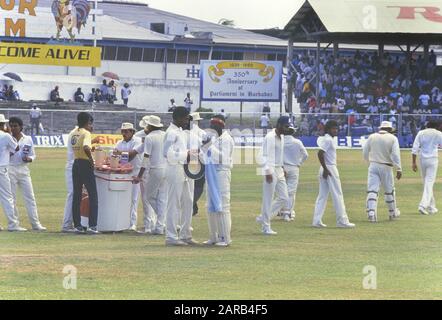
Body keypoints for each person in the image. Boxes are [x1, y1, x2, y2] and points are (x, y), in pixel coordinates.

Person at [163, 107, 198, 246]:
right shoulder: (171, 132)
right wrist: (186, 155)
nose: (186, 121)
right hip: (174, 168)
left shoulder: (181, 132)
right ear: (178, 118)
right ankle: (171, 237)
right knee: (174, 203)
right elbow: (166, 153)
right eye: (185, 118)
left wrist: (190, 153)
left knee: (188, 202)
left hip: (185, 169)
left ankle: (185, 234)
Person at [313, 120, 355, 228]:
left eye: (336, 128)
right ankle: (342, 221)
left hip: (325, 168)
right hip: (329, 168)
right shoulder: (328, 140)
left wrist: (324, 168)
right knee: (337, 194)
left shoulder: (328, 139)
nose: (335, 130)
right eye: (333, 128)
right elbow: (320, 153)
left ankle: (316, 221)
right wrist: (326, 169)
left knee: (322, 196)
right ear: (328, 129)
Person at [8, 117, 46, 231]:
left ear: (21, 127)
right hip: (10, 169)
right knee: (12, 198)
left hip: (24, 170)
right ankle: (14, 225)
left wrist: (29, 159)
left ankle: (35, 224)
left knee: (30, 197)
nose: (13, 128)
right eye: (11, 126)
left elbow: (33, 154)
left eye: (15, 126)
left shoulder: (28, 139)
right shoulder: (7, 139)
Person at [256, 116, 292, 235]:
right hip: (270, 168)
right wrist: (267, 170)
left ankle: (263, 217)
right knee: (268, 198)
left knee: (284, 197)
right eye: (286, 126)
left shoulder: (281, 136)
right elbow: (262, 155)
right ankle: (265, 227)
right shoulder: (270, 137)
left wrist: (282, 167)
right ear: (279, 125)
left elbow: (278, 154)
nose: (287, 129)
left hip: (279, 169)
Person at [201, 115, 234, 246]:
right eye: (211, 125)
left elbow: (223, 158)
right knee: (210, 206)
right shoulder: (213, 139)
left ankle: (225, 238)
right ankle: (213, 237)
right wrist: (203, 148)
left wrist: (210, 146)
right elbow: (204, 156)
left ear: (221, 126)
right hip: (210, 172)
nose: (212, 128)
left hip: (221, 173)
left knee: (223, 206)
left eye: (214, 126)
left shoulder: (227, 140)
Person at [133, 116, 167, 235]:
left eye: (147, 125)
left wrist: (139, 176)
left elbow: (146, 159)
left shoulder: (149, 137)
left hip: (155, 169)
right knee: (161, 198)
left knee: (149, 196)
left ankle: (163, 222)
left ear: (151, 126)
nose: (145, 127)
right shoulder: (165, 135)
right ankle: (160, 226)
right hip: (166, 168)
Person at [363, 121, 402, 222]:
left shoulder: (372, 136)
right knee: (389, 191)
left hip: (373, 165)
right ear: (389, 129)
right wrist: (398, 168)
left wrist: (369, 161)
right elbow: (395, 155)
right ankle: (392, 213)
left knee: (372, 190)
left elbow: (365, 151)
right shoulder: (393, 138)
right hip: (386, 167)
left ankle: (371, 214)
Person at [70, 112, 99, 234]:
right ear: (88, 122)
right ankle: (93, 226)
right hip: (85, 164)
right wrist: (92, 160)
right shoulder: (86, 133)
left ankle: (77, 225)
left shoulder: (73, 133)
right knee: (93, 195)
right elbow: (86, 147)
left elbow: (79, 146)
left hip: (76, 163)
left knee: (77, 195)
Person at [114, 123, 144, 231]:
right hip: (123, 173)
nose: (124, 133)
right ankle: (122, 222)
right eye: (122, 131)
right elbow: (114, 155)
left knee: (133, 199)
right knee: (122, 198)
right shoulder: (119, 142)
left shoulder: (137, 141)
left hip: (135, 172)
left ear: (132, 132)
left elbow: (131, 155)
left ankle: (132, 223)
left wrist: (119, 153)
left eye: (126, 131)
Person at [411, 121, 442, 215]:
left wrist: (413, 162)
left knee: (426, 183)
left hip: (422, 160)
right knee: (429, 183)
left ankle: (432, 207)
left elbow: (415, 148)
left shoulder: (421, 133)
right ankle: (423, 206)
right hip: (433, 160)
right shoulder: (438, 133)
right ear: (436, 126)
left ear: (427, 125)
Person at [0, 114, 24, 231]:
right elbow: (16, 148)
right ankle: (13, 224)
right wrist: (9, 132)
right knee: (7, 197)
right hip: (2, 169)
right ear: (3, 124)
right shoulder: (5, 136)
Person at [134, 115, 156, 232]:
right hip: (152, 169)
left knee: (147, 198)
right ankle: (154, 224)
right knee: (154, 198)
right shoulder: (140, 136)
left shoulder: (143, 136)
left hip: (145, 169)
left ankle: (149, 225)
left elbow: (144, 156)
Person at [282, 128, 309, 222]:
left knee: (282, 191)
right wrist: (299, 163)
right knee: (291, 192)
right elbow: (306, 155)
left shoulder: (280, 142)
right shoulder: (297, 142)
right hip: (294, 168)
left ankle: (285, 211)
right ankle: (288, 213)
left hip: (282, 168)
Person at [190, 112, 206, 216]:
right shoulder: (202, 133)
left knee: (190, 185)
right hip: (200, 161)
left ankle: (192, 206)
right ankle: (192, 204)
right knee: (199, 185)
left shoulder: (185, 132)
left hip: (189, 161)